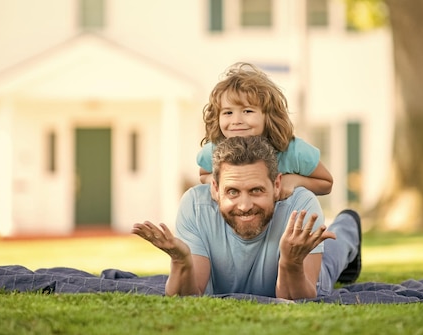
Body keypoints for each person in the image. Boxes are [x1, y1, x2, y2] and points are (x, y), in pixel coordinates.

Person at [133, 136, 361, 300]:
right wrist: (180, 261)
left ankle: (348, 222)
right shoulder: (195, 205)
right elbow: (191, 295)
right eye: (232, 192)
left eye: (256, 191)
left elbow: (298, 300)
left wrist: (291, 263)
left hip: (302, 271)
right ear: (214, 188)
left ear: (277, 185)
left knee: (334, 250)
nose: (244, 206)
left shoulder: (300, 205)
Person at [197, 62, 333, 200]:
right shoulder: (214, 151)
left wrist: (295, 180)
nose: (236, 120)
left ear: (268, 115)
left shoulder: (294, 151)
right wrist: (215, 183)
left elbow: (326, 183)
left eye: (247, 111)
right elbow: (203, 175)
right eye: (228, 113)